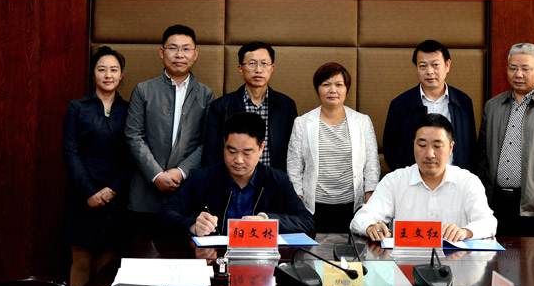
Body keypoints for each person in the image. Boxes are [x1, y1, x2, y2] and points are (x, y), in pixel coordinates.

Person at [472, 43, 534, 237]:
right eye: (513, 68)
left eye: (525, 69)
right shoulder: (492, 107)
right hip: (494, 204)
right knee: (494, 255)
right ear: (506, 69)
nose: (518, 74)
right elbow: (481, 160)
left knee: (531, 257)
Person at [162, 112, 315, 236]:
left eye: (247, 153)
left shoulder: (276, 180)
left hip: (259, 258)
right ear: (224, 145)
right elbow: (166, 214)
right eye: (232, 151)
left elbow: (306, 221)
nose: (238, 160)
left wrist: (267, 220)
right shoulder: (202, 178)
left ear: (261, 148)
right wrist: (193, 226)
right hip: (214, 258)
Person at [351, 113, 497, 242]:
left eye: (437, 146)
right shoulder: (394, 181)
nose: (429, 154)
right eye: (422, 145)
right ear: (413, 145)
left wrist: (465, 232)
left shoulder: (468, 181)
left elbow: (488, 222)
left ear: (451, 147)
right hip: (406, 262)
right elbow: (360, 219)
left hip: (454, 261)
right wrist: (370, 227)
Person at [125, 25, 214, 235]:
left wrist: (181, 172)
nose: (179, 55)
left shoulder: (206, 94)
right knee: (141, 252)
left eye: (186, 49)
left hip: (186, 191)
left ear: (195, 54)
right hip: (144, 193)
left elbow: (207, 142)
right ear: (161, 52)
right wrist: (156, 174)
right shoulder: (143, 90)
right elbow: (133, 136)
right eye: (173, 48)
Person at [62, 46, 131, 286]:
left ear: (121, 75)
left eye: (114, 70)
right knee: (81, 260)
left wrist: (111, 190)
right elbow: (70, 152)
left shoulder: (129, 109)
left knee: (106, 264)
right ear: (93, 74)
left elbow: (131, 156)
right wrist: (89, 192)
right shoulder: (77, 107)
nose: (108, 75)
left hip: (115, 194)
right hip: (82, 193)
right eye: (102, 70)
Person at [287, 62, 380, 233]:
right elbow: (294, 166)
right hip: (314, 207)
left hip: (353, 206)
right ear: (317, 89)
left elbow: (372, 165)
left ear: (346, 89)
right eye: (326, 84)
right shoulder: (302, 123)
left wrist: (369, 200)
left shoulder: (362, 121)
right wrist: (298, 200)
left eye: (339, 85)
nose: (333, 90)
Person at [203, 41, 298, 172]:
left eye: (264, 64)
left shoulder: (286, 106)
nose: (258, 70)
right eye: (252, 63)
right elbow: (211, 155)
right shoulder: (220, 107)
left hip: (274, 180)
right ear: (240, 69)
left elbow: (294, 152)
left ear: (272, 68)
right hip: (233, 180)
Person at [383, 39, 475, 171]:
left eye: (435, 65)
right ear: (416, 68)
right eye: (423, 66)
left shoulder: (463, 102)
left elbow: (470, 148)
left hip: (455, 179)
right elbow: (390, 151)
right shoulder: (399, 105)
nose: (429, 71)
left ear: (447, 65)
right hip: (413, 180)